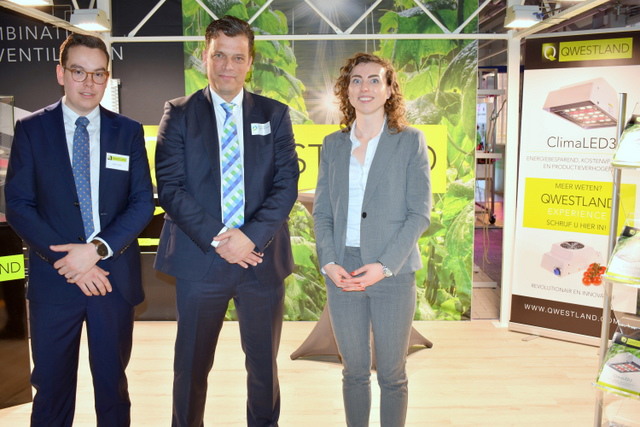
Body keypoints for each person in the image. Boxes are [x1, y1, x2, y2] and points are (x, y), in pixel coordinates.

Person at [154, 15, 299, 427]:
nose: (227, 66)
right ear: (205, 56)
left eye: (237, 57)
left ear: (250, 62)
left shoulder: (274, 114)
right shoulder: (178, 113)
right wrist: (221, 238)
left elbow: (286, 184)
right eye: (219, 55)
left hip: (260, 262)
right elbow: (171, 188)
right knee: (191, 369)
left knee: (263, 368)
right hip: (200, 262)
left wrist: (249, 238)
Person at [5, 33, 154, 426]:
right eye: (79, 72)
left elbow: (142, 202)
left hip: (112, 280)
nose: (89, 83)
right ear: (61, 73)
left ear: (108, 78)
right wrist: (70, 261)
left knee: (112, 388)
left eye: (98, 74)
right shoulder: (32, 130)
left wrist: (97, 250)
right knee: (51, 392)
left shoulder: (128, 132)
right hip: (55, 281)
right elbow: (18, 205)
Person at [313, 52, 431, 427]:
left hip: (392, 272)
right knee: (353, 372)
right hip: (343, 271)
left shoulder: (410, 141)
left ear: (389, 89)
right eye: (356, 80)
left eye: (374, 79)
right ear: (346, 91)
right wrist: (329, 262)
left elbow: (419, 213)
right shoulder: (333, 145)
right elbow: (323, 212)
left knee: (392, 375)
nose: (365, 87)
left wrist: (384, 266)